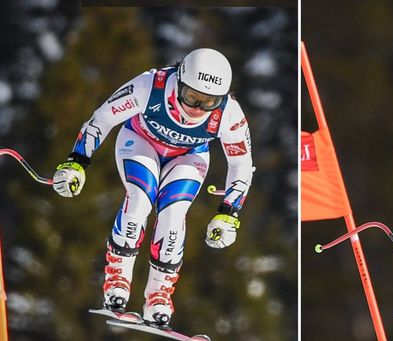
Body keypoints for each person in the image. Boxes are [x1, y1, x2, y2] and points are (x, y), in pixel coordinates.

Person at [52, 48, 254, 326]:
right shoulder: (151, 86)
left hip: (188, 155)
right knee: (139, 200)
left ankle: (159, 294)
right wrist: (77, 161)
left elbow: (241, 164)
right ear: (180, 82)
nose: (197, 109)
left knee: (173, 215)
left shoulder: (229, 113)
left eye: (209, 102)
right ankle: (117, 280)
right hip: (141, 141)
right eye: (192, 97)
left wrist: (229, 213)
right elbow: (102, 119)